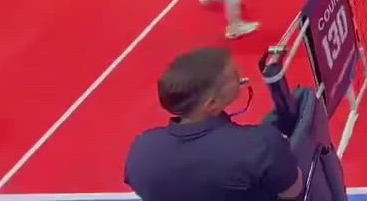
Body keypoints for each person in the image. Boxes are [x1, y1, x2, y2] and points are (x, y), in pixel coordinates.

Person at [124, 47, 303, 201]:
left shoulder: (142, 149)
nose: (242, 78)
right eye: (235, 76)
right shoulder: (262, 145)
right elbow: (293, 193)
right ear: (212, 104)